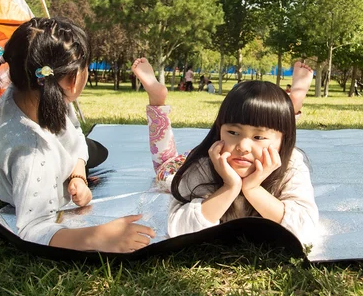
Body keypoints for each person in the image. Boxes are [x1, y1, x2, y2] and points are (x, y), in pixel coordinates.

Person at [0, 17, 155, 252]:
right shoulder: (34, 155)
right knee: (95, 150)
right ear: (73, 79)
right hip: (36, 170)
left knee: (95, 149)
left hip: (59, 162)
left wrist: (78, 175)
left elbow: (76, 133)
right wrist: (97, 236)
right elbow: (33, 230)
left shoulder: (35, 90)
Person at [131, 58, 318, 245]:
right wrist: (230, 187)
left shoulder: (291, 164)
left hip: (260, 145)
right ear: (219, 129)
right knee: (164, 166)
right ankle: (157, 102)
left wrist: (252, 189)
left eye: (258, 137)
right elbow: (179, 230)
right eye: (233, 132)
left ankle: (290, 107)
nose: (243, 146)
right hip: (186, 162)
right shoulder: (202, 167)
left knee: (270, 122)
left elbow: (305, 231)